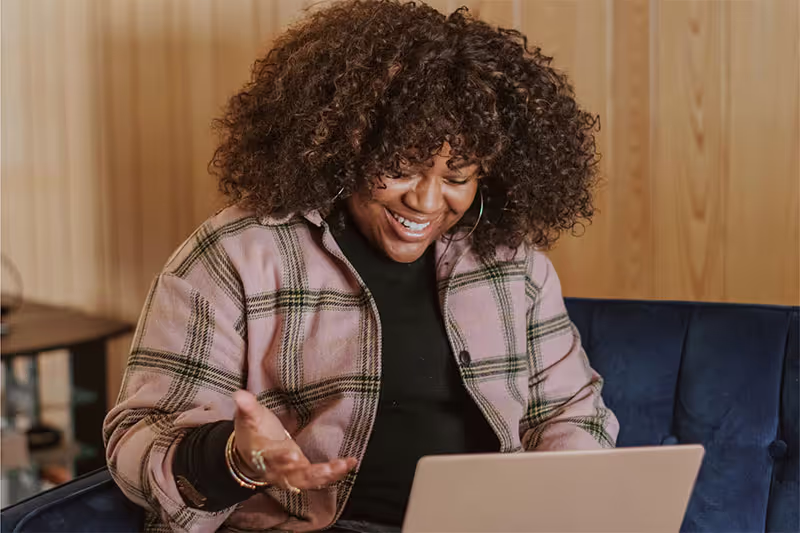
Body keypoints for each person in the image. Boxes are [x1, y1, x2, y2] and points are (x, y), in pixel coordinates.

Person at [103, 1, 619, 531]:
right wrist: (233, 458)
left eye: (457, 176)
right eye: (399, 168)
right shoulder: (238, 254)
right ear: (346, 144)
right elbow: (139, 437)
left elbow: (572, 412)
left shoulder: (514, 264)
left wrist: (560, 507)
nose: (425, 201)